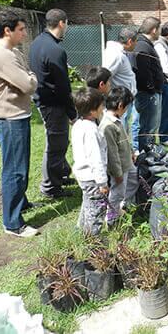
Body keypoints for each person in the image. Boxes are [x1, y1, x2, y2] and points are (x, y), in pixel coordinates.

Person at [0, 10, 38, 238]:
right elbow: (28, 84)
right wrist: (31, 78)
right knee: (14, 169)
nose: (25, 34)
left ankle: (21, 203)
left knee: (21, 165)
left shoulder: (12, 51)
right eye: (21, 29)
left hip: (17, 115)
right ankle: (13, 222)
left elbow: (26, 76)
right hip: (9, 118)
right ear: (7, 30)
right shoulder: (2, 55)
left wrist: (29, 77)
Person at [29, 9, 77, 200]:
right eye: (67, 24)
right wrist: (72, 113)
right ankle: (50, 187)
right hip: (53, 104)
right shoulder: (55, 50)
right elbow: (62, 86)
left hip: (44, 100)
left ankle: (62, 174)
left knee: (59, 141)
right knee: (56, 144)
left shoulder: (37, 42)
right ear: (62, 24)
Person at [71, 87, 109, 235]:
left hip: (82, 175)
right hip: (93, 178)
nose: (103, 109)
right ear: (93, 111)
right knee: (97, 210)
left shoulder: (78, 125)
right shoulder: (91, 130)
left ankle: (81, 231)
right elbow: (95, 159)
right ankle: (93, 242)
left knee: (87, 205)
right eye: (101, 106)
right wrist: (102, 183)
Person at [99, 87, 137, 225]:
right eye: (127, 107)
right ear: (121, 105)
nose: (127, 110)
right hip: (120, 167)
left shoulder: (117, 119)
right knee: (117, 192)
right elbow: (112, 153)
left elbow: (125, 139)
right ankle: (111, 218)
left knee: (133, 181)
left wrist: (131, 151)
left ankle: (123, 205)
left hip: (128, 163)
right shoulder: (108, 126)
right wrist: (117, 173)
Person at [134, 17, 163, 150]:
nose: (159, 33)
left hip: (150, 92)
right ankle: (144, 153)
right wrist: (151, 89)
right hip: (147, 94)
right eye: (159, 30)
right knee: (146, 125)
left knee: (150, 125)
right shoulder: (142, 46)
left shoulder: (145, 44)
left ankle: (148, 150)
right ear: (154, 30)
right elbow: (142, 71)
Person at [103, 27, 138, 135]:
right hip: (119, 101)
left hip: (124, 99)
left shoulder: (120, 53)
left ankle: (125, 150)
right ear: (130, 41)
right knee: (119, 129)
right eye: (135, 42)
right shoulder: (116, 55)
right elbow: (105, 75)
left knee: (124, 128)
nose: (136, 45)